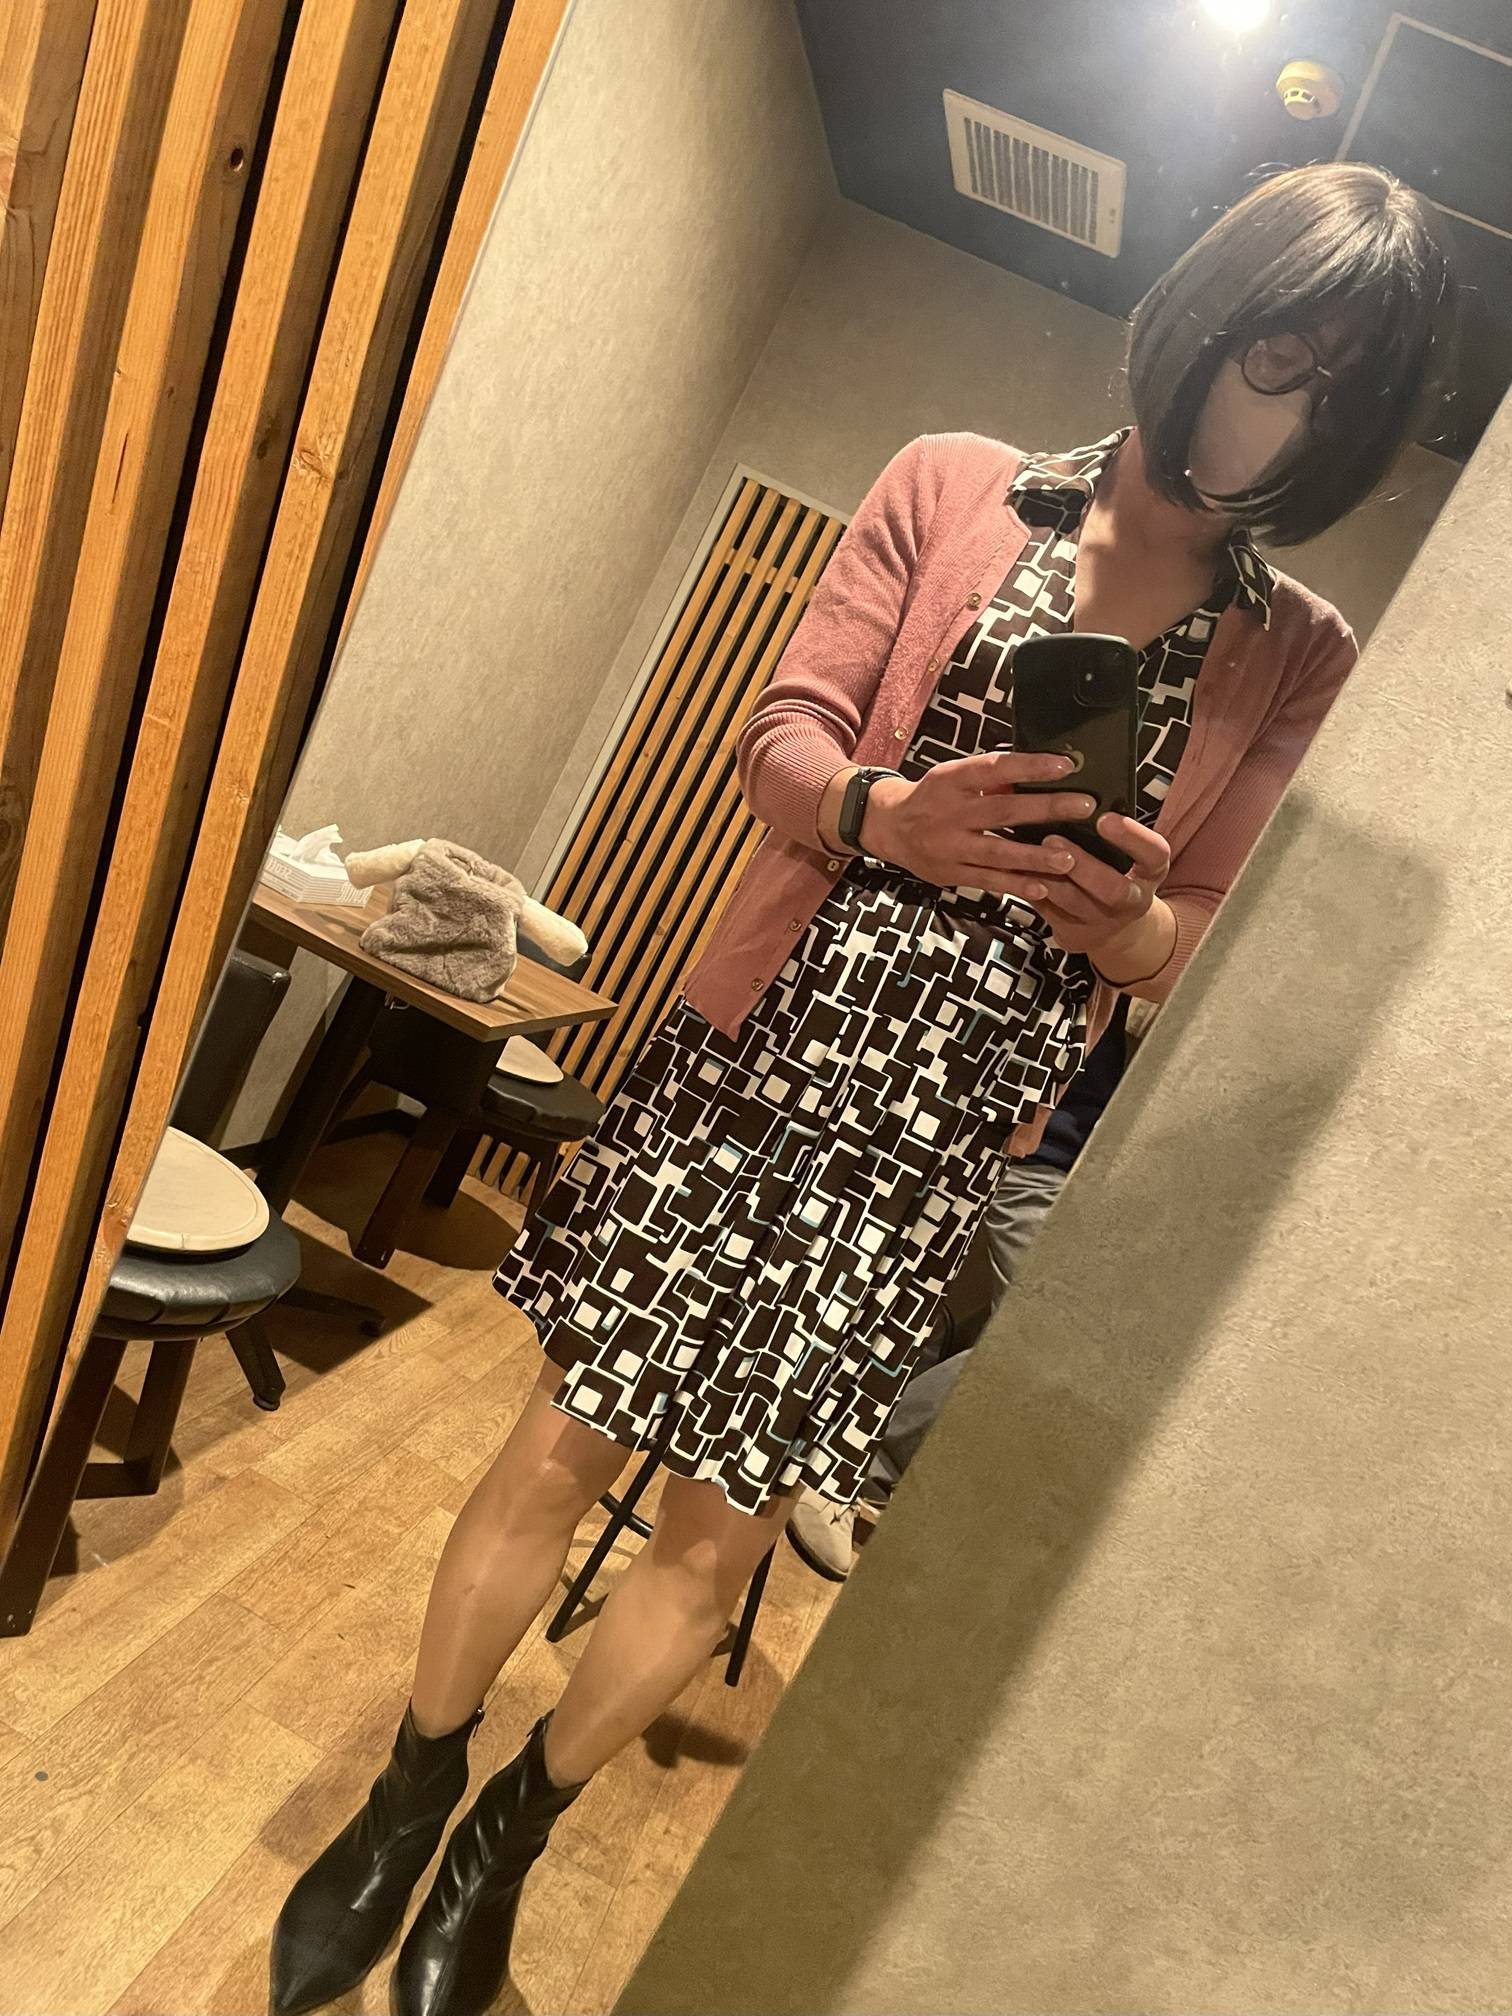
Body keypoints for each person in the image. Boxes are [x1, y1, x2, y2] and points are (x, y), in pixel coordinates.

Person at [270, 163, 1451, 2016]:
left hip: (932, 1149)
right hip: (757, 1066)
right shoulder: (954, 483)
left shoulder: (1299, 650)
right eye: (1274, 356)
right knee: (562, 1440)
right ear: (1208, 318)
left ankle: (506, 1837)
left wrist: (1130, 924)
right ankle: (404, 1792)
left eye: (1335, 397)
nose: (1281, 413)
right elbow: (785, 732)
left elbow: (1207, 932)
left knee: (720, 1525)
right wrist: (884, 812)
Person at [786, 999, 1132, 1581]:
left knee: (987, 1322)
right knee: (1045, 1335)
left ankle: (844, 1459)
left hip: (1054, 1159)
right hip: (1032, 1154)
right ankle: (848, 1468)